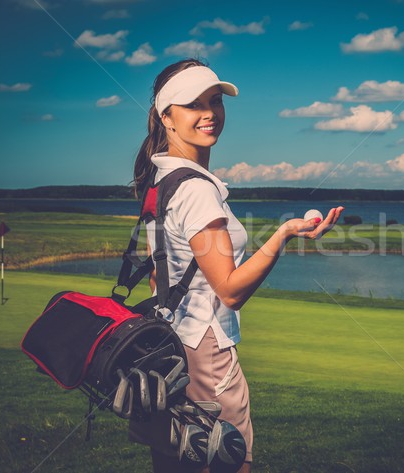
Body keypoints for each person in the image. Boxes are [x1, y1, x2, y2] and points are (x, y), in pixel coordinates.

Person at [128, 58, 344, 473]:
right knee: (229, 462)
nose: (209, 113)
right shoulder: (196, 191)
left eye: (215, 101)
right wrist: (283, 235)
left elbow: (161, 274)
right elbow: (228, 289)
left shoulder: (163, 180)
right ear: (166, 117)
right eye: (193, 104)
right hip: (206, 353)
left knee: (179, 464)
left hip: (170, 347)